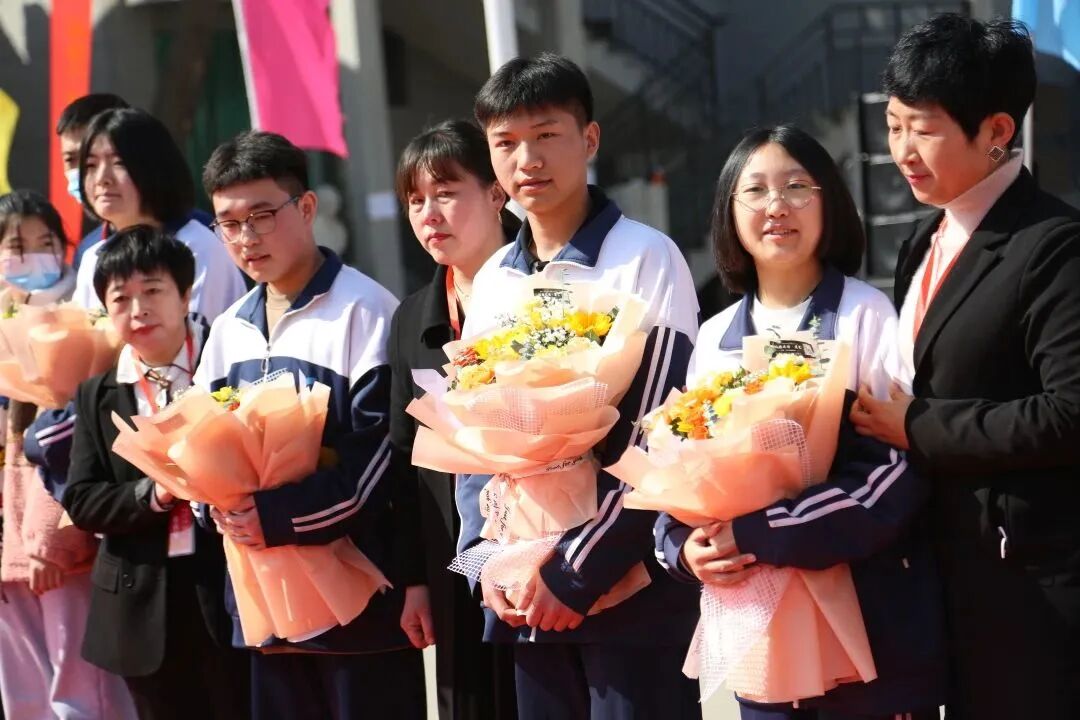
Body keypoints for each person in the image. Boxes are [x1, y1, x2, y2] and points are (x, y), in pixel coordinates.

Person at [655, 125, 947, 720]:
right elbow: (680, 469)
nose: (777, 206)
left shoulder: (866, 315)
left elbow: (895, 472)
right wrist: (682, 547)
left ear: (828, 201)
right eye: (755, 190)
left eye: (796, 187)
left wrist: (766, 530)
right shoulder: (713, 337)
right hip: (762, 637)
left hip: (867, 630)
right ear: (729, 212)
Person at [457, 53, 702, 719]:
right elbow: (472, 441)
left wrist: (576, 570)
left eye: (546, 135)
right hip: (523, 590)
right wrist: (483, 563)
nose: (527, 159)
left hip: (627, 586)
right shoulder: (494, 281)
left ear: (589, 139)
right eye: (506, 143)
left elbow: (660, 435)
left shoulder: (646, 257)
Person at [850, 14, 1080, 720]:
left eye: (923, 130)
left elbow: (1069, 414)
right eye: (893, 126)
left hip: (1029, 588)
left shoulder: (1055, 247)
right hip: (935, 573)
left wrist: (917, 427)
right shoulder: (921, 239)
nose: (901, 151)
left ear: (997, 130)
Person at [196, 130, 425, 720]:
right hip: (264, 609)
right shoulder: (227, 330)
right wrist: (216, 506)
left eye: (261, 216)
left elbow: (378, 465)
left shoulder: (365, 311)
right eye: (229, 224)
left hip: (359, 609)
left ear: (306, 207)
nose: (246, 238)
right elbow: (196, 450)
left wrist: (273, 517)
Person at [62, 226, 250, 720]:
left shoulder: (226, 367)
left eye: (152, 291)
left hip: (226, 589)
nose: (138, 309)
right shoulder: (98, 394)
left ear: (185, 295)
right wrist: (155, 492)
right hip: (139, 600)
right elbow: (81, 499)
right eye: (120, 298)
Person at [389, 119, 519, 720]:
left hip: (543, 557)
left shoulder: (547, 291)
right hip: (454, 564)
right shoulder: (413, 317)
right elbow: (403, 459)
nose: (429, 215)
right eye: (415, 201)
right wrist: (415, 579)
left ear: (496, 192)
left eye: (445, 193)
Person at [0, 191, 137, 719]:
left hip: (56, 548)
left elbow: (70, 445)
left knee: (81, 691)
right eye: (18, 246)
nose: (34, 256)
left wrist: (49, 539)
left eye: (46, 242)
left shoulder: (77, 326)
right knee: (24, 696)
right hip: (8, 550)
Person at [71, 107, 247, 321]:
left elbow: (193, 338)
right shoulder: (92, 258)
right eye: (90, 165)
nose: (101, 178)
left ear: (154, 168)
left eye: (119, 163)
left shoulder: (198, 248)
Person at [55, 93, 129, 270]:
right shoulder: (88, 252)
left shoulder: (190, 236)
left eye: (90, 159)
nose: (98, 177)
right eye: (70, 159)